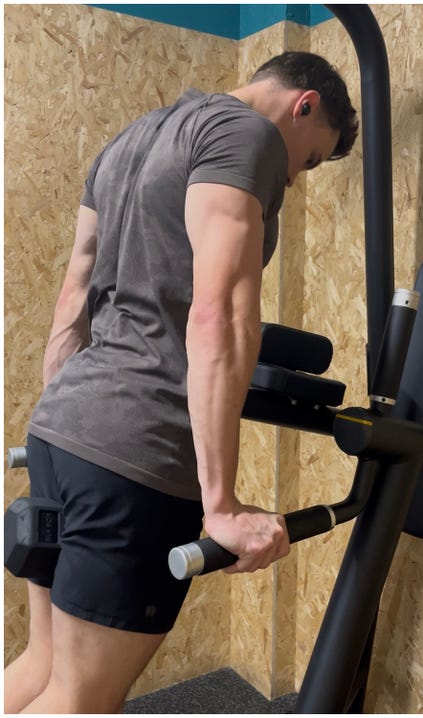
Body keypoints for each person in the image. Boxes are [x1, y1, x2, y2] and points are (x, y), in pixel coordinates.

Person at [4, 52, 358, 714]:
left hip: (63, 432)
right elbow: (219, 313)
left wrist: (59, 417)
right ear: (303, 106)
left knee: (42, 665)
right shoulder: (245, 135)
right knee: (81, 698)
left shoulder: (131, 139)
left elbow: (73, 295)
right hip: (135, 455)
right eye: (309, 161)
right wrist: (220, 506)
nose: (297, 179)